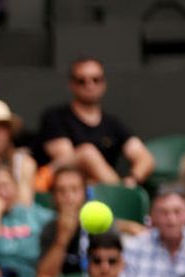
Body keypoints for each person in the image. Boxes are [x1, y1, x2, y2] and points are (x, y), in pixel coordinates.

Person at [38, 58, 154, 187]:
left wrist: (132, 180)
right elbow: (67, 162)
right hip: (67, 190)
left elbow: (145, 158)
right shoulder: (56, 117)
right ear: (71, 85)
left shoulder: (112, 123)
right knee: (87, 153)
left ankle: (120, 193)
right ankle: (119, 195)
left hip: (103, 191)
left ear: (104, 84)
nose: (90, 85)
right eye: (82, 81)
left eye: (96, 80)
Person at [122, 187, 185, 277]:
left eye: (177, 212)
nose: (171, 220)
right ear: (152, 216)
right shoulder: (135, 247)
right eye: (163, 213)